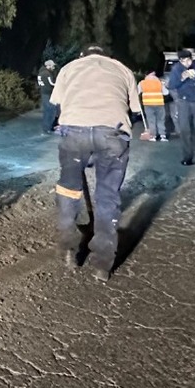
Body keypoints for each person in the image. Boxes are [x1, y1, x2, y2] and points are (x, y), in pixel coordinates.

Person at [48, 43, 141, 281]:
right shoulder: (122, 69)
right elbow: (134, 109)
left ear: (82, 56)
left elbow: (57, 103)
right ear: (108, 56)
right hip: (112, 133)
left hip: (75, 133)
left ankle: (69, 248)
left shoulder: (69, 67)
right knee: (107, 196)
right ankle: (102, 265)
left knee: (68, 190)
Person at [137, 70, 169, 141]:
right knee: (160, 119)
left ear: (146, 75)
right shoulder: (159, 82)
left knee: (151, 120)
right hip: (159, 103)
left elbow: (137, 92)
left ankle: (153, 136)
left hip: (148, 104)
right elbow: (166, 93)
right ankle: (162, 136)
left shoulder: (142, 83)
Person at [37, 59, 59, 134]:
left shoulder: (40, 72)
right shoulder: (47, 73)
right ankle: (49, 128)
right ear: (48, 66)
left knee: (46, 110)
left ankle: (46, 128)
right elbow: (52, 83)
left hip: (43, 92)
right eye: (52, 66)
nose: (53, 67)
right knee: (51, 110)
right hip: (48, 93)